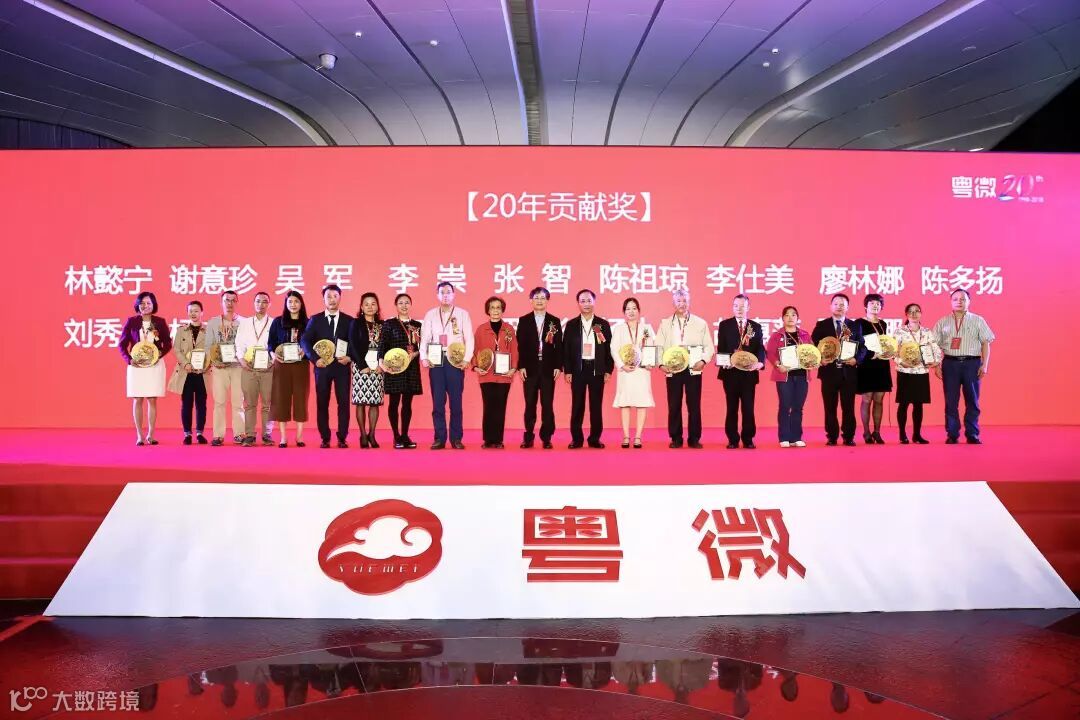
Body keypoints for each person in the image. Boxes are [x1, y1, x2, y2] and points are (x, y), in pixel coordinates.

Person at [932, 288, 995, 444]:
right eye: (955, 299)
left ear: (969, 302)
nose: (959, 302)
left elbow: (986, 343)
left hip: (972, 364)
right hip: (950, 364)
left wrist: (985, 365)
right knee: (951, 401)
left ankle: (972, 433)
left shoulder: (978, 320)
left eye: (963, 299)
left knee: (972, 400)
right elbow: (934, 345)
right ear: (950, 302)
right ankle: (952, 434)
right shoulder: (942, 322)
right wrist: (936, 365)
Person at [655, 286, 715, 448]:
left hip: (693, 368)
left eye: (684, 300)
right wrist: (660, 364)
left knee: (694, 405)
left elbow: (709, 347)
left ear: (689, 302)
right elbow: (658, 346)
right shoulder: (665, 323)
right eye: (678, 301)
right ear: (673, 303)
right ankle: (676, 438)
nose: (682, 304)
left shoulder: (700, 323)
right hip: (673, 368)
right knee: (674, 404)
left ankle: (694, 438)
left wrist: (703, 361)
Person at [420, 282, 473, 450]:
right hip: (436, 360)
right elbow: (425, 338)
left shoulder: (463, 314)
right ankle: (439, 438)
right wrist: (424, 357)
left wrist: (466, 359)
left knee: (456, 402)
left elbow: (469, 338)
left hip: (455, 361)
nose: (445, 295)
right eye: (442, 292)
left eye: (448, 292)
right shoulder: (430, 314)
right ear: (437, 295)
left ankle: (456, 438)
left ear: (454, 294)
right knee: (438, 402)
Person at [301, 284, 353, 449]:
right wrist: (315, 359)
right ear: (323, 299)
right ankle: (325, 437)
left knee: (343, 403)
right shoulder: (315, 320)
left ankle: (342, 437)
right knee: (322, 402)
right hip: (322, 367)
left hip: (342, 367)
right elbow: (305, 341)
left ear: (340, 298)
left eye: (335, 296)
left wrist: (350, 357)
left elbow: (354, 343)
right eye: (328, 297)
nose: (332, 300)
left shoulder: (349, 320)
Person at [811, 293, 866, 446]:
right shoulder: (822, 325)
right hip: (829, 372)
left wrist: (856, 360)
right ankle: (832, 436)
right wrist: (820, 359)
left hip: (848, 373)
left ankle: (849, 436)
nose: (839, 307)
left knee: (848, 407)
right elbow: (813, 346)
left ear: (847, 307)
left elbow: (862, 347)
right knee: (830, 407)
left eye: (842, 304)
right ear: (831, 306)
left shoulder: (854, 326)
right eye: (836, 304)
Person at [119, 291, 172, 446]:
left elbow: (168, 343)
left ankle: (151, 434)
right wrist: (129, 360)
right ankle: (139, 435)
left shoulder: (160, 322)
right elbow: (122, 345)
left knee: (152, 399)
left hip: (154, 365)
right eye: (142, 303)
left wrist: (159, 354)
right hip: (137, 366)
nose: (145, 306)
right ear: (138, 305)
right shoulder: (131, 322)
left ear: (153, 305)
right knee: (137, 399)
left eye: (148, 303)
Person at [562, 289, 614, 448]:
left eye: (589, 300)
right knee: (577, 405)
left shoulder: (602, 324)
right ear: (578, 303)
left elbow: (609, 349)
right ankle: (576, 439)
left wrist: (608, 370)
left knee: (596, 406)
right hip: (578, 369)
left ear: (594, 302)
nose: (586, 304)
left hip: (596, 369)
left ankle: (594, 439)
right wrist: (568, 370)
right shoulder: (571, 325)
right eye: (583, 301)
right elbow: (566, 350)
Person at [716, 294, 766, 449]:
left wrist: (760, 363)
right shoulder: (725, 325)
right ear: (732, 307)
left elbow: (760, 348)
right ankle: (732, 439)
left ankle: (748, 439)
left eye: (742, 306)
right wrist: (724, 362)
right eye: (736, 306)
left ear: (748, 307)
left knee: (748, 408)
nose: (739, 309)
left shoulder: (755, 326)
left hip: (749, 374)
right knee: (731, 408)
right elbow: (721, 348)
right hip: (730, 374)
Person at [516, 286, 563, 449]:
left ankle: (546, 437)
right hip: (529, 368)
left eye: (543, 298)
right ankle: (528, 436)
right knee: (530, 403)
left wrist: (558, 366)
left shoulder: (554, 321)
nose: (539, 301)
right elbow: (520, 346)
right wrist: (521, 366)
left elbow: (559, 346)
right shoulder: (524, 320)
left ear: (547, 300)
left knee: (547, 404)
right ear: (531, 300)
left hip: (548, 368)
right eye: (536, 298)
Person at [472, 296, 518, 448]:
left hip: (504, 375)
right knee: (488, 407)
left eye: (498, 307)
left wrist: (513, 368)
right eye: (492, 307)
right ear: (488, 310)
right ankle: (488, 439)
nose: (495, 310)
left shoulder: (509, 329)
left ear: (502, 310)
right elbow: (474, 350)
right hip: (486, 375)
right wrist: (475, 366)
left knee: (500, 407)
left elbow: (514, 350)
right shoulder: (481, 329)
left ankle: (498, 440)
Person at [379, 293, 422, 449]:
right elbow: (382, 344)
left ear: (411, 304)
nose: (404, 305)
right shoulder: (389, 324)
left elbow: (422, 346)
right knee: (394, 402)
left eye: (407, 302)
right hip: (394, 367)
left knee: (407, 403)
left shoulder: (417, 325)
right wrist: (381, 362)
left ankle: (405, 435)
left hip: (411, 367)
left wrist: (415, 354)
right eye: (401, 303)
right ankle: (396, 436)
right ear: (396, 305)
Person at [610, 297, 654, 448]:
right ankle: (626, 436)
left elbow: (651, 346)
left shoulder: (646, 328)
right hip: (626, 371)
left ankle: (638, 437)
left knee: (642, 403)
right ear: (624, 312)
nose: (631, 311)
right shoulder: (619, 329)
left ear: (639, 311)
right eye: (628, 309)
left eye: (634, 308)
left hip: (642, 370)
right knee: (625, 403)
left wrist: (649, 362)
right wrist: (622, 365)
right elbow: (614, 349)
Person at [894, 302, 942, 444]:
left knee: (918, 404)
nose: (914, 314)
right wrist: (900, 362)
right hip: (905, 371)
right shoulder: (899, 331)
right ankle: (902, 434)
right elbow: (894, 351)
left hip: (921, 371)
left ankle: (917, 435)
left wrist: (936, 361)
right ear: (906, 314)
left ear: (921, 314)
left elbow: (935, 348)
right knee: (903, 404)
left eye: (917, 311)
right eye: (911, 311)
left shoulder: (927, 331)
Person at [267, 290, 309, 447]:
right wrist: (272, 354)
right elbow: (270, 343)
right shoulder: (278, 322)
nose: (293, 304)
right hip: (282, 366)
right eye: (290, 301)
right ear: (286, 304)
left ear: (301, 304)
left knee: (300, 400)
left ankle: (299, 436)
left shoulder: (308, 323)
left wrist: (306, 350)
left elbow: (312, 343)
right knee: (281, 400)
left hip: (300, 366)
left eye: (296, 301)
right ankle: (283, 437)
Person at [766, 306, 812, 448]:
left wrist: (812, 362)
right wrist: (778, 364)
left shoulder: (805, 335)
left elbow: (812, 352)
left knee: (798, 407)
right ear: (782, 318)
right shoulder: (777, 335)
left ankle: (796, 437)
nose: (790, 317)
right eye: (787, 315)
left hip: (802, 375)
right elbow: (770, 353)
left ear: (797, 318)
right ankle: (784, 437)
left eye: (793, 315)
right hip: (784, 375)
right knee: (785, 406)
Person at [204, 290, 245, 446]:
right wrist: (213, 361)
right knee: (219, 402)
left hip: (237, 367)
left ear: (237, 302)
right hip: (219, 368)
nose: (230, 303)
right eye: (227, 300)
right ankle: (218, 435)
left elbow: (246, 345)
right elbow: (208, 345)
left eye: (233, 300)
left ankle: (239, 433)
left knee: (238, 402)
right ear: (221, 302)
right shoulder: (213, 322)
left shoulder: (244, 322)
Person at [235, 291, 275, 447]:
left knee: (267, 404)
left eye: (264, 301)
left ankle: (267, 434)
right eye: (258, 301)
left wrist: (273, 360)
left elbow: (276, 344)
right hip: (249, 367)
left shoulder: (274, 323)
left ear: (269, 304)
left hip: (268, 367)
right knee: (249, 403)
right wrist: (241, 360)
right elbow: (239, 343)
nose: (261, 304)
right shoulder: (245, 323)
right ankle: (250, 435)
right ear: (254, 303)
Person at [167, 300, 208, 445]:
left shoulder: (208, 330)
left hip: (202, 372)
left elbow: (212, 349)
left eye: (196, 311)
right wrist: (186, 363)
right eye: (190, 311)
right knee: (186, 404)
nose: (193, 313)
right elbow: (176, 349)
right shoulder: (181, 330)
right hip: (186, 372)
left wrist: (207, 364)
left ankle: (200, 433)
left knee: (201, 404)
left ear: (202, 312)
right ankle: (187, 434)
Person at [348, 292, 385, 448]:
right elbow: (353, 345)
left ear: (377, 307)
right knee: (361, 402)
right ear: (361, 307)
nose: (370, 307)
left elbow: (386, 346)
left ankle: (372, 434)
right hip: (360, 367)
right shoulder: (355, 323)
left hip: (378, 367)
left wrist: (382, 364)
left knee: (374, 402)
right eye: (366, 304)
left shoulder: (383, 325)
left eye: (373, 304)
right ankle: (363, 435)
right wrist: (362, 365)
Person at [856, 293, 893, 444]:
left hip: (881, 365)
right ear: (866, 306)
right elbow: (858, 344)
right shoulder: (859, 323)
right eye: (872, 303)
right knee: (867, 399)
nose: (875, 306)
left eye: (878, 304)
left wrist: (889, 351)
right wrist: (870, 354)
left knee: (879, 400)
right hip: (866, 364)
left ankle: (877, 432)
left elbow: (885, 343)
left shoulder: (883, 324)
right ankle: (866, 432)